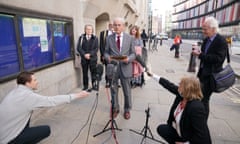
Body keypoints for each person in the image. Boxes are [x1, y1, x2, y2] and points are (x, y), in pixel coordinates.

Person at [0, 71, 89, 144]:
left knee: (28, 115)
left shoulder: (16, 91)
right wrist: (77, 95)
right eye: (34, 80)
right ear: (27, 83)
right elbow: (51, 101)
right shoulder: (27, 97)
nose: (37, 82)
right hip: (8, 139)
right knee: (46, 130)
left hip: (3, 133)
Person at [147, 72, 211, 144]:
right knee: (162, 129)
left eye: (180, 84)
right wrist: (153, 75)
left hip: (189, 138)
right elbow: (168, 85)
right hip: (180, 131)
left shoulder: (196, 108)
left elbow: (203, 137)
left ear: (187, 89)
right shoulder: (182, 95)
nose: (178, 85)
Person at [192, 16, 227, 118]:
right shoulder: (206, 40)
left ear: (213, 29)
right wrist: (199, 52)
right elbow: (204, 54)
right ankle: (197, 118)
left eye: (205, 29)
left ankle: (202, 123)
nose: (203, 31)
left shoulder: (221, 41)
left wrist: (200, 55)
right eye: (203, 28)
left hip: (211, 76)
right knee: (198, 97)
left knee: (204, 99)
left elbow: (218, 59)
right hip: (202, 73)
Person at [104, 17, 136, 120]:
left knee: (127, 91)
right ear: (112, 26)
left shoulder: (130, 38)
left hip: (125, 68)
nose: (117, 27)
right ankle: (115, 108)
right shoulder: (109, 38)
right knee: (114, 90)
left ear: (123, 26)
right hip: (113, 68)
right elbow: (106, 52)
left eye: (119, 25)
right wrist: (108, 58)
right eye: (115, 25)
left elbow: (133, 54)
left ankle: (127, 110)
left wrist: (129, 59)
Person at [77, 24, 99, 91]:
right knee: (85, 73)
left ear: (92, 30)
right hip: (84, 59)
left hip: (93, 58)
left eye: (90, 29)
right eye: (87, 29)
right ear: (85, 30)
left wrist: (90, 54)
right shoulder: (81, 38)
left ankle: (94, 85)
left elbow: (96, 48)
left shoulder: (95, 38)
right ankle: (85, 86)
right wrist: (84, 54)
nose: (89, 30)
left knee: (93, 72)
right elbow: (79, 48)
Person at [100, 21, 114, 87]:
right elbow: (101, 45)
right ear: (108, 25)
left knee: (114, 68)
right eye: (110, 24)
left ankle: (114, 82)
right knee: (107, 68)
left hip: (114, 55)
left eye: (112, 25)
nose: (111, 26)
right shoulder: (103, 33)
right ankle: (107, 82)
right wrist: (102, 55)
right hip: (106, 55)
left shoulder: (117, 33)